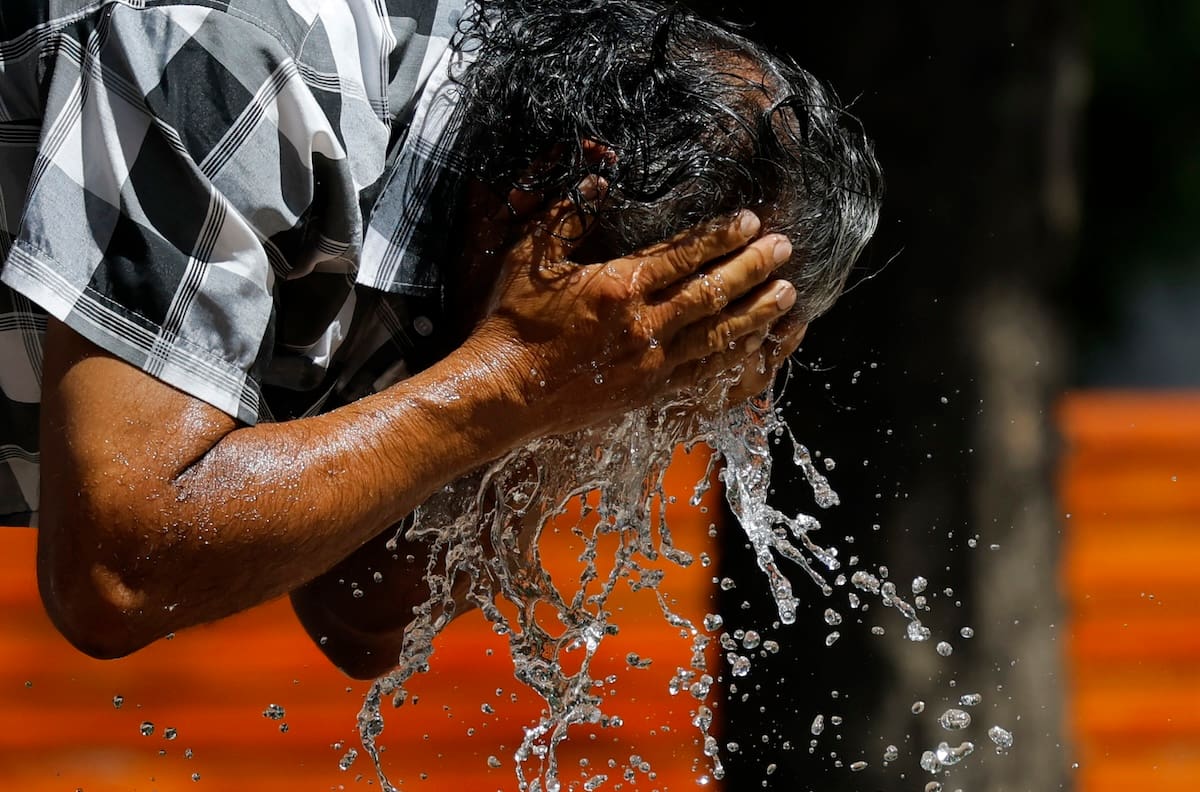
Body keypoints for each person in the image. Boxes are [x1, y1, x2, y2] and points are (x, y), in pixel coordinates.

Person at [0, 0, 880, 678]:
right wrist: (520, 381)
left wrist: (568, 408)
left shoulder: (486, 220)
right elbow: (118, 571)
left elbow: (364, 617)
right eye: (665, 334)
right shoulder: (238, 54)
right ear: (550, 204)